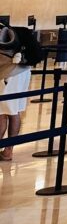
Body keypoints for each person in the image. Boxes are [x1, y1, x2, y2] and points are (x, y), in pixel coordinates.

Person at [0, 25, 34, 161]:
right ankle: (8, 150)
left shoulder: (3, 33)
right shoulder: (10, 31)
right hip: (22, 71)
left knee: (2, 113)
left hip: (8, 74)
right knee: (14, 112)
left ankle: (7, 151)